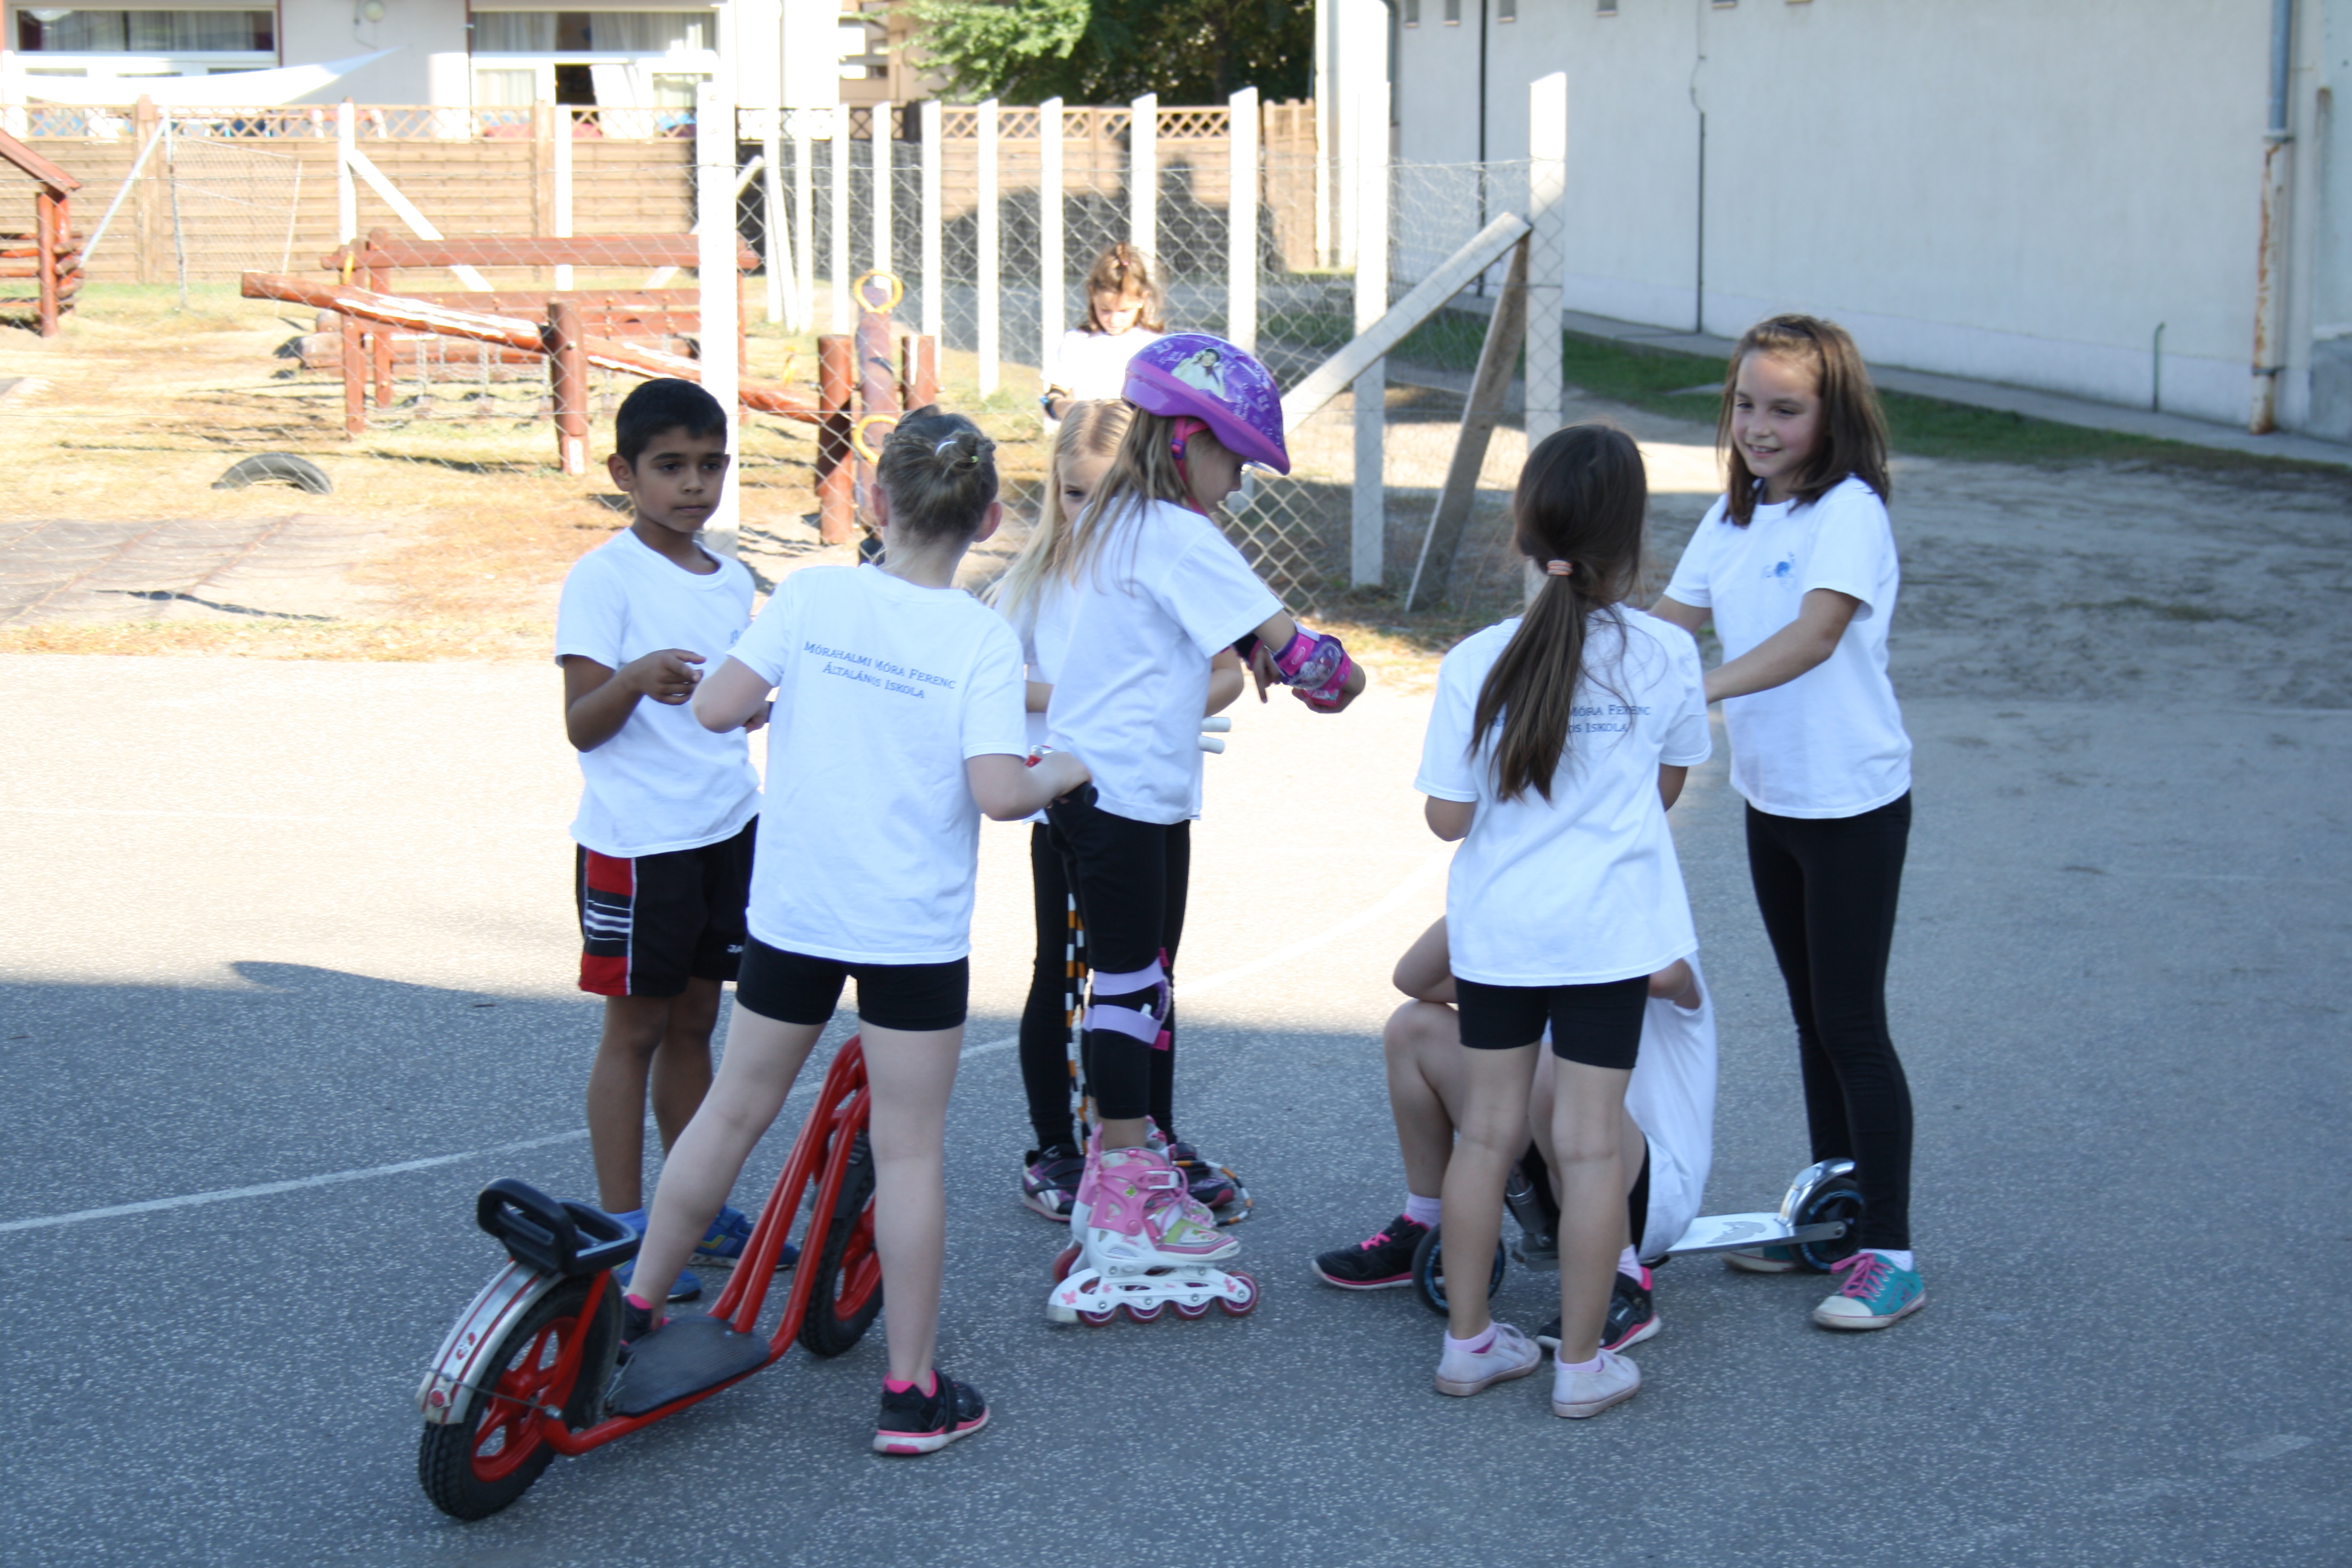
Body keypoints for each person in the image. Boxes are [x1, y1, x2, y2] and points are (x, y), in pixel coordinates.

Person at [622, 410, 1089, 1455]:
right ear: (989, 520)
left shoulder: (815, 594)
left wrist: (779, 698)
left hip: (798, 911)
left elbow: (715, 710)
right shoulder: (978, 636)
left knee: (733, 1110)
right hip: (909, 931)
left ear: (875, 500)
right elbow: (998, 792)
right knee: (909, 1148)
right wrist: (1066, 765)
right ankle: (909, 1390)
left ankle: (638, 1305)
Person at [1042, 333, 1368, 1321]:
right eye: (1236, 461)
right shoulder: (1182, 536)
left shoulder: (1114, 521)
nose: (1240, 484)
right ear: (1188, 441)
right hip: (1127, 791)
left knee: (1128, 980)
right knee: (1131, 986)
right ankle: (1128, 1188)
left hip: (1094, 787)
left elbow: (1164, 637)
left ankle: (1119, 1172)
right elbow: (1309, 662)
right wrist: (1337, 671)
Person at [1413, 423, 1710, 1419]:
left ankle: (1467, 1347)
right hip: (1607, 937)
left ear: (1521, 530)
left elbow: (1446, 817)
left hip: (1501, 933)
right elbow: (1664, 789)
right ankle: (1582, 1366)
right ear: (1632, 539)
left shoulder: (1477, 660)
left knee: (1485, 1138)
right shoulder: (1666, 654)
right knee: (1588, 1149)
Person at [1648, 315, 1924, 1332]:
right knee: (1812, 1019)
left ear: (1831, 416)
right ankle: (1836, 1216)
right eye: (1744, 405)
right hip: (1773, 801)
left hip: (1852, 803)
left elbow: (1814, 637)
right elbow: (1663, 628)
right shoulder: (1732, 518)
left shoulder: (1847, 512)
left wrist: (1693, 692)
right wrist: (1571, 666)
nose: (1757, 427)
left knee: (1851, 1022)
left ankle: (1889, 1250)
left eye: (1784, 409)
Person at [554, 377, 786, 1305]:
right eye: (671, 467)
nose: (694, 485)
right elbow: (581, 724)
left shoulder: (731, 579)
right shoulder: (603, 577)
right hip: (637, 845)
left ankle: (692, 1210)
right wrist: (632, 679)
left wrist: (766, 704)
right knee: (636, 1030)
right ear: (625, 473)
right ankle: (622, 1224)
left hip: (724, 830)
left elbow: (731, 704)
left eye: (711, 465)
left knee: (696, 1024)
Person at [987, 400, 1247, 1223]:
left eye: (1106, 494)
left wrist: (1144, 710)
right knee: (1066, 974)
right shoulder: (1034, 582)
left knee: (1147, 976)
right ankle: (1057, 1148)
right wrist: (1090, 701)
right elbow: (994, 682)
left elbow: (1227, 670)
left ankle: (1144, 1139)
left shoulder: (1164, 565)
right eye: (1073, 493)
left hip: (1155, 798)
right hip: (1070, 805)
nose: (1088, 511)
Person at [1310, 918, 1717, 1363]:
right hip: (1548, 1150)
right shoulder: (1537, 949)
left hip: (1647, 1192)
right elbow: (1414, 978)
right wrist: (1483, 894)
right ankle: (1426, 1225)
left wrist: (1571, 905)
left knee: (1554, 1068)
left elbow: (1670, 978)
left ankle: (1625, 1279)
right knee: (1415, 1026)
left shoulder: (1643, 939)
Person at [1040, 243, 1165, 423]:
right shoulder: (1077, 342)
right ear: (1093, 295)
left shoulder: (1155, 347)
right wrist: (1066, 408)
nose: (1113, 320)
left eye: (1124, 311)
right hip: (1087, 433)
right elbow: (1053, 397)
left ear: (1142, 299)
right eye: (1105, 310)